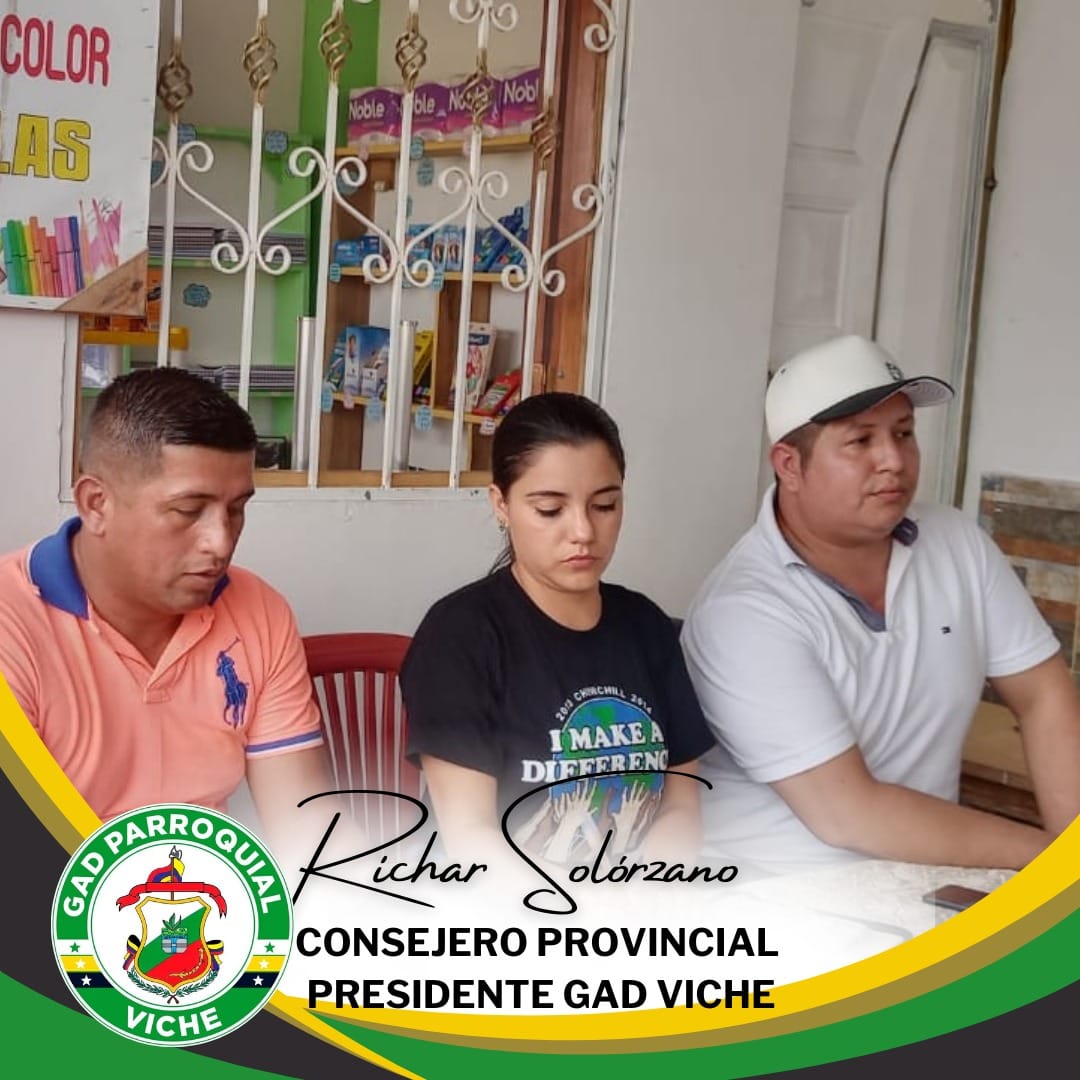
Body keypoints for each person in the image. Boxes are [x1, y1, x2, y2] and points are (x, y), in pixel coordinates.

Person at [682, 334, 1080, 876]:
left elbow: (1044, 696)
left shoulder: (956, 543)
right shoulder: (744, 611)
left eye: (903, 433)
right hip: (777, 891)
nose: (893, 460)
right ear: (790, 465)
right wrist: (1060, 865)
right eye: (860, 441)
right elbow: (850, 814)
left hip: (922, 878)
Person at [0, 367, 331, 841]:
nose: (221, 542)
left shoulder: (259, 611)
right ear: (96, 504)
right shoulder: (12, 622)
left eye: (236, 509)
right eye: (188, 511)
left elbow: (309, 830)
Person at [401, 393, 715, 869]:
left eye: (605, 505)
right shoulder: (460, 637)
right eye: (550, 509)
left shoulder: (647, 627)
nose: (583, 531)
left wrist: (652, 888)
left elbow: (681, 804)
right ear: (501, 504)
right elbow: (472, 838)